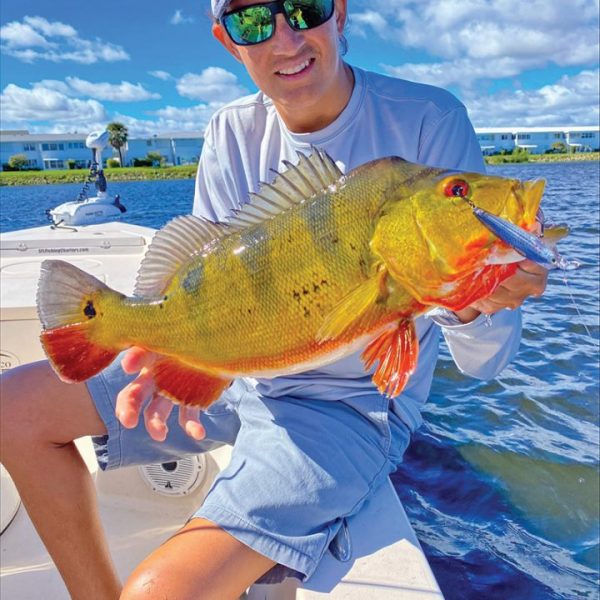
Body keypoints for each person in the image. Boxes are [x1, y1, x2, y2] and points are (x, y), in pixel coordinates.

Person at [0, 1, 548, 599]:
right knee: (13, 408)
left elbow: (485, 363)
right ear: (227, 41)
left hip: (344, 408)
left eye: (305, 7)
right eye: (252, 21)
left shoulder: (428, 119)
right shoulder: (229, 129)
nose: (285, 38)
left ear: (339, 14)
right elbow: (201, 267)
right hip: (239, 372)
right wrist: (174, 356)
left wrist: (475, 300)